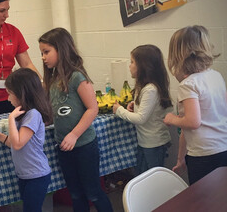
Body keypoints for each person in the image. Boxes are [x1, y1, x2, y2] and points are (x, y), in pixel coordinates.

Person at [39, 27, 113, 211]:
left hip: (84, 146)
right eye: (41, 53)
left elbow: (92, 108)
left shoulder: (77, 77)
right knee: (75, 194)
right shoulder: (53, 78)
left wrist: (73, 135)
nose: (43, 57)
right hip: (64, 147)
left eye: (46, 52)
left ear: (61, 50)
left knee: (93, 192)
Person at [164, 25, 227, 184]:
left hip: (204, 155)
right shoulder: (215, 76)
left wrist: (172, 119)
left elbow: (192, 122)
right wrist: (181, 158)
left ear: (177, 56)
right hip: (222, 148)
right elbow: (188, 127)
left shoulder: (188, 84)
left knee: (202, 201)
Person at [0, 68, 52, 212]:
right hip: (25, 175)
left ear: (22, 94)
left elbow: (17, 144)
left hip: (37, 175)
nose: (8, 98)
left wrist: (11, 118)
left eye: (10, 93)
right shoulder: (24, 115)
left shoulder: (33, 115)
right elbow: (13, 142)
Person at [113, 45, 172, 175]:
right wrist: (136, 104)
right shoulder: (144, 87)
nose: (130, 66)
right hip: (145, 142)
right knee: (141, 175)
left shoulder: (150, 89)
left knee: (152, 180)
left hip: (154, 144)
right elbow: (149, 108)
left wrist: (119, 110)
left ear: (143, 66)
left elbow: (140, 118)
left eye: (132, 62)